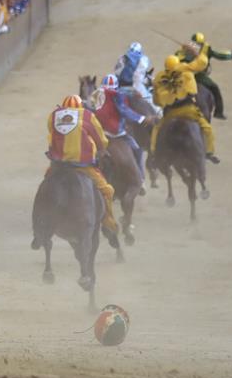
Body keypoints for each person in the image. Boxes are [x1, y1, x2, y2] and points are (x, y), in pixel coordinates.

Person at [46, 94, 119, 238]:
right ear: (80, 107)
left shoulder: (53, 116)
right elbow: (101, 140)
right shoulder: (87, 115)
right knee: (107, 191)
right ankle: (108, 223)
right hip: (83, 166)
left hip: (58, 166)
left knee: (46, 185)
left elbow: (51, 132)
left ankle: (41, 225)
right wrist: (101, 148)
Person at [152, 53, 219, 164]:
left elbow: (157, 101)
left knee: (156, 130)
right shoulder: (184, 69)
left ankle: (154, 154)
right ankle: (209, 152)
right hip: (189, 110)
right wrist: (195, 52)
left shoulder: (159, 78)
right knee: (207, 129)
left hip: (170, 113)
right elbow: (202, 63)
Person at [93, 74, 151, 180]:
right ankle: (140, 179)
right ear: (116, 86)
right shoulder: (118, 94)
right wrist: (142, 118)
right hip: (117, 134)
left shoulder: (96, 95)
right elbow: (124, 110)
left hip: (99, 134)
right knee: (138, 150)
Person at [174, 32, 232, 120]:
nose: (197, 46)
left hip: (199, 74)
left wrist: (230, 55)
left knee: (214, 87)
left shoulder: (206, 48)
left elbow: (218, 55)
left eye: (199, 44)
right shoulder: (182, 51)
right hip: (189, 75)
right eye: (196, 44)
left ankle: (218, 112)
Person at [114, 41, 160, 115]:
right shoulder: (144, 59)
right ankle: (159, 114)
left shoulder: (122, 58)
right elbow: (139, 76)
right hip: (136, 86)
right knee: (150, 99)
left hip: (121, 86)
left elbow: (117, 72)